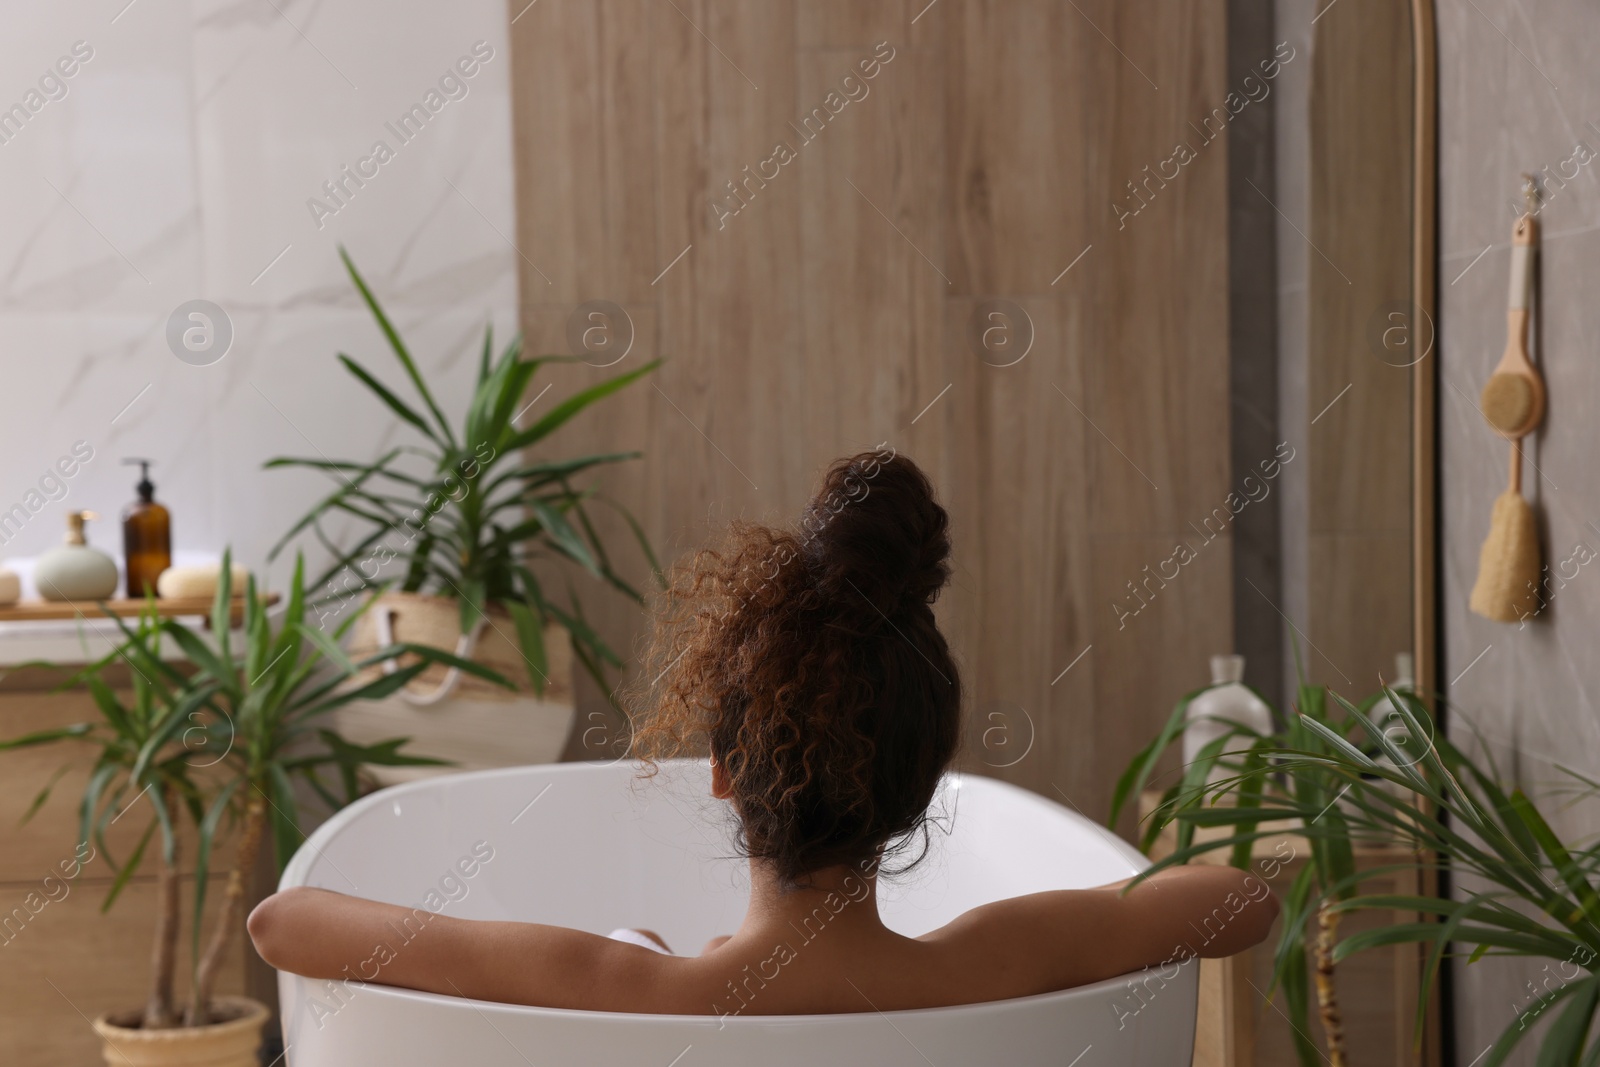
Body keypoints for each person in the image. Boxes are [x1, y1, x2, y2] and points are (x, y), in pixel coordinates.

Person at [248, 449, 1278, 1016]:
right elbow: (1243, 898)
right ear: (921, 788)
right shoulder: (988, 965)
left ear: (724, 777)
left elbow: (284, 924)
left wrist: (632, 951)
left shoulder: (635, 988)